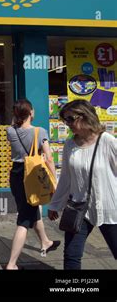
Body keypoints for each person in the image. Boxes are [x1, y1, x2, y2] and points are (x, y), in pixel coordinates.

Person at [48, 100, 117, 270]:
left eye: (70, 119)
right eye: (65, 121)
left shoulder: (107, 141)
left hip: (110, 208)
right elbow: (65, 178)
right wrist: (55, 204)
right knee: (71, 255)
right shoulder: (70, 145)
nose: (67, 124)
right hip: (79, 208)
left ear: (85, 116)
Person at [5, 99, 60, 270]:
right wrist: (55, 179)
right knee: (24, 219)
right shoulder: (40, 131)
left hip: (16, 174)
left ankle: (45, 241)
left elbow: (14, 125)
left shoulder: (10, 131)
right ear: (31, 113)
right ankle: (12, 264)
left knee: (30, 208)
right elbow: (49, 158)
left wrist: (17, 117)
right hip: (33, 175)